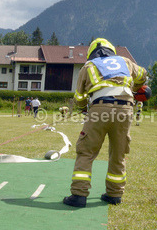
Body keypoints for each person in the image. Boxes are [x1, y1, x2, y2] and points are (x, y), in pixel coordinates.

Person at [63, 38, 146, 208]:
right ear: (112, 51)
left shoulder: (89, 66)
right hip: (125, 109)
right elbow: (143, 75)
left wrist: (84, 108)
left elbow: (79, 98)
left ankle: (79, 195)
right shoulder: (125, 61)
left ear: (91, 53)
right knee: (118, 152)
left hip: (99, 108)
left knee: (86, 151)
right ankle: (114, 194)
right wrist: (136, 88)